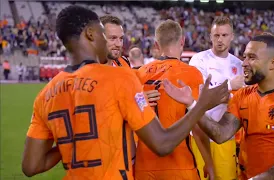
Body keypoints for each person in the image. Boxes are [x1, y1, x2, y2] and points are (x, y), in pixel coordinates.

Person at [21, 5, 230, 180]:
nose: (112, 43)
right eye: (105, 35)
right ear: (91, 34)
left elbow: (31, 166)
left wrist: (73, 141)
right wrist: (200, 104)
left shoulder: (46, 94)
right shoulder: (120, 78)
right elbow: (163, 143)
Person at [163, 34, 274, 180]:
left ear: (273, 63)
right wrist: (192, 104)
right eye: (244, 57)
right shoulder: (243, 96)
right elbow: (221, 134)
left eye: (252, 57)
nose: (243, 63)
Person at [135, 19, 214, 180]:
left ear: (156, 45)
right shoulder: (191, 74)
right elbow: (198, 125)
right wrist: (209, 162)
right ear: (183, 40)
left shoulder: (139, 74)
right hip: (179, 164)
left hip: (144, 166)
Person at [188, 16, 243, 180]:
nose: (220, 40)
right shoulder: (199, 60)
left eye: (225, 35)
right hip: (200, 134)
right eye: (216, 35)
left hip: (226, 136)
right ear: (210, 36)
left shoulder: (238, 64)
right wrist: (229, 86)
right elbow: (199, 96)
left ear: (232, 36)